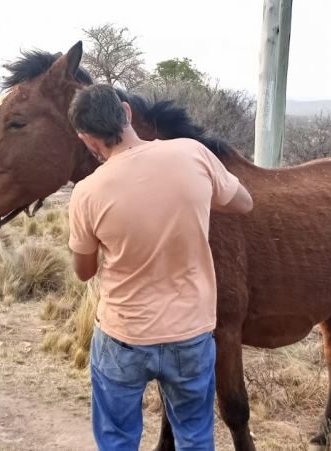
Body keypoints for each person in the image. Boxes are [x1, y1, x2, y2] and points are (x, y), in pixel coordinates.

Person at [67, 84, 253, 450]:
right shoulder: (192, 154)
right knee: (195, 437)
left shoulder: (87, 193)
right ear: (127, 111)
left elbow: (84, 271)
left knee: (118, 439)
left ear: (88, 139)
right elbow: (244, 203)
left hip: (123, 337)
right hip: (190, 333)